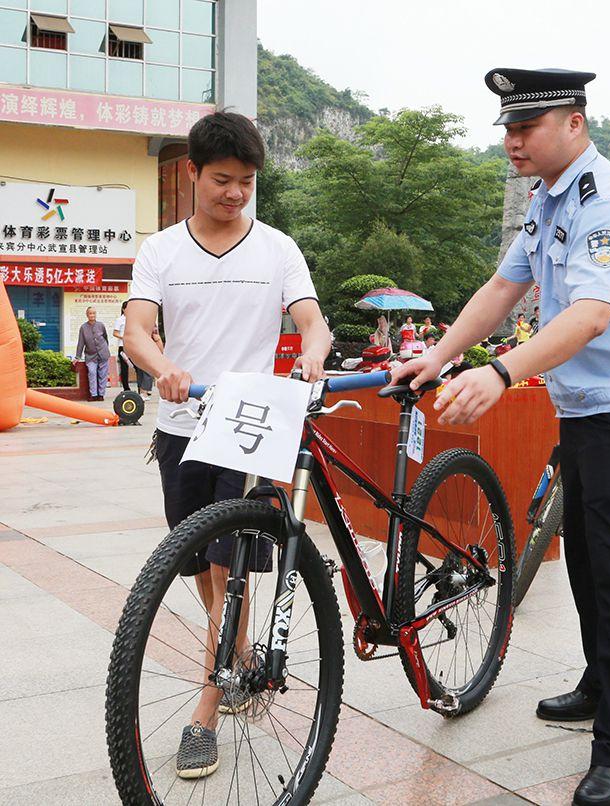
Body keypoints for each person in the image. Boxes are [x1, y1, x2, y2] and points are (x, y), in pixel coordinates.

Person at [393, 67, 610, 806]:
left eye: (526, 127)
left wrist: (498, 373)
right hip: (589, 406)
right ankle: (604, 682)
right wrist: (439, 353)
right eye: (507, 127)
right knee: (589, 561)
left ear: (575, 125)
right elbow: (506, 287)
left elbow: (590, 315)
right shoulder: (549, 199)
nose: (511, 140)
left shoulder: (607, 201)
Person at [124, 111, 330, 780]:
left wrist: (315, 355)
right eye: (222, 180)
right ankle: (236, 650)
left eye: (247, 182)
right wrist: (164, 369)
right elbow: (137, 331)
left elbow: (312, 322)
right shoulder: (161, 251)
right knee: (203, 573)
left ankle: (205, 713)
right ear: (191, 173)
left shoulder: (277, 248)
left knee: (229, 568)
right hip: (183, 430)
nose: (235, 193)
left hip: (250, 428)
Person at [74, 306, 110, 401]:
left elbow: (105, 338)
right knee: (92, 372)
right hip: (90, 355)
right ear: (87, 315)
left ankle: (101, 395)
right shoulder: (83, 327)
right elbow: (81, 342)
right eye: (90, 313)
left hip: (103, 353)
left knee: (103, 374)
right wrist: (78, 356)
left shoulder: (101, 325)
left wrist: (106, 349)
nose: (92, 315)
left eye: (94, 313)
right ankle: (93, 394)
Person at [113, 303, 131, 392]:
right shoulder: (120, 320)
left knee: (137, 367)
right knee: (124, 368)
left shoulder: (132, 319)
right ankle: (126, 388)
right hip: (123, 347)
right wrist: (124, 337)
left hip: (132, 347)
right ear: (123, 309)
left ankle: (142, 389)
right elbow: (115, 333)